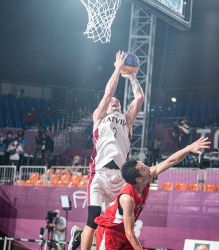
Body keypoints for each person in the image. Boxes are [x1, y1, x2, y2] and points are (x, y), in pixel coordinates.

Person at [68, 51, 144, 250]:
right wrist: (119, 68)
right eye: (112, 102)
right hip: (99, 176)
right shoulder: (99, 117)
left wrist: (133, 77)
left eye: (117, 101)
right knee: (93, 220)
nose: (114, 101)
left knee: (116, 225)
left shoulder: (127, 120)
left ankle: (80, 235)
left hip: (120, 178)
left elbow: (140, 97)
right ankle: (81, 238)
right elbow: (108, 93)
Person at [94, 137, 210, 250]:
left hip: (124, 235)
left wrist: (188, 148)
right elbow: (130, 233)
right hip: (110, 235)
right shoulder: (127, 199)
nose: (148, 168)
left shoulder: (147, 176)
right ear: (138, 179)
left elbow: (171, 161)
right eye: (143, 168)